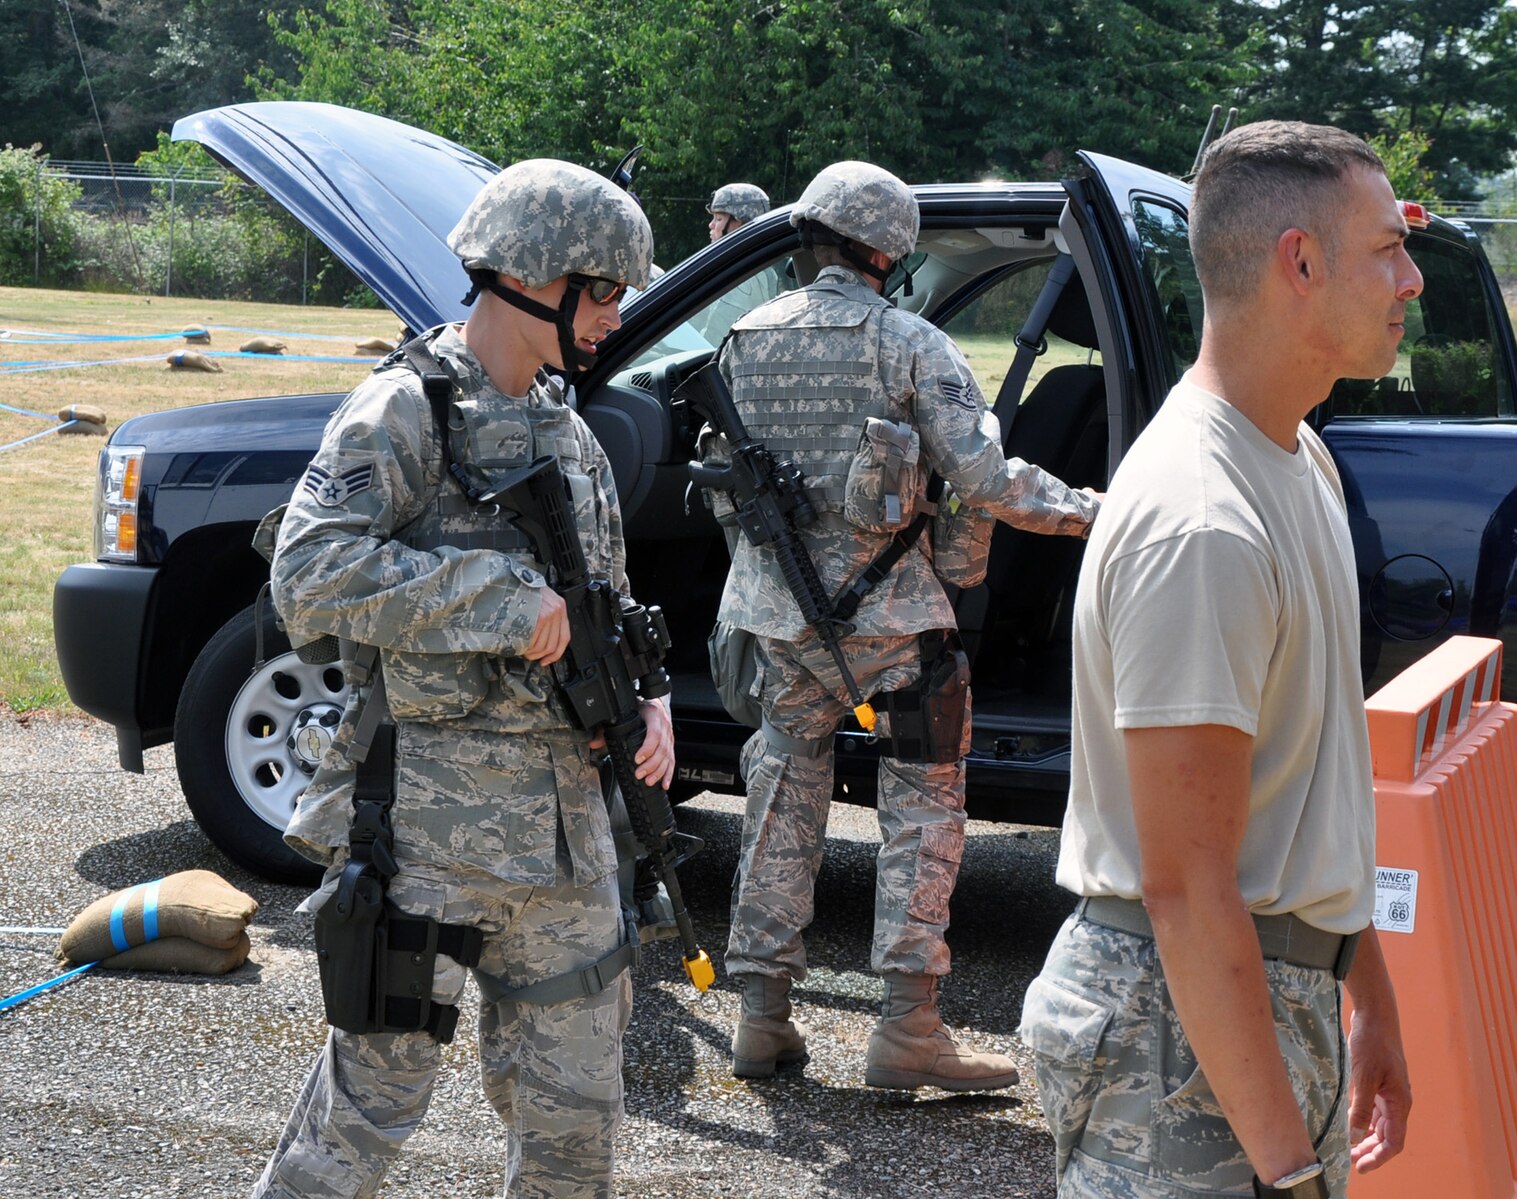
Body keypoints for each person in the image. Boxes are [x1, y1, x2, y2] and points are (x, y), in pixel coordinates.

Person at [252, 159, 670, 1198]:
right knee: (358, 1122)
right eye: (606, 289)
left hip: (569, 847)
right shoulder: (403, 412)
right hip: (426, 837)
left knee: (575, 1130)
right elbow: (305, 577)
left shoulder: (572, 433)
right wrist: (496, 599)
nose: (616, 314)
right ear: (538, 276)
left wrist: (645, 694)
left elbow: (604, 596)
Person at [1019, 120, 1412, 1198]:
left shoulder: (1297, 455)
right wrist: (1287, 1172)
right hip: (1173, 1024)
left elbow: (1306, 785)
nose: (1411, 279)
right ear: (1298, 260)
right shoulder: (1204, 519)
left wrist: (1363, 985)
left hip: (1252, 998)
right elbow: (1187, 884)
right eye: (1387, 248)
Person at [710, 160, 1099, 1090]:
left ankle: (761, 1017)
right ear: (890, 249)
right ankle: (907, 1027)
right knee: (923, 807)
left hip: (780, 623)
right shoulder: (910, 344)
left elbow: (724, 486)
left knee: (778, 798)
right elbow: (988, 484)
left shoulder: (741, 337)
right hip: (896, 624)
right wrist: (1096, 509)